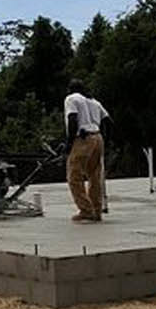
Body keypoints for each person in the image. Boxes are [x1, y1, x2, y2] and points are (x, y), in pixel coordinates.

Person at [63, 80, 106, 221]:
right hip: (97, 137)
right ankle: (97, 210)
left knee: (74, 176)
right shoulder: (94, 102)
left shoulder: (71, 99)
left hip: (83, 138)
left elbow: (72, 119)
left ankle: (86, 210)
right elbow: (107, 121)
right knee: (94, 176)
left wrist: (69, 144)